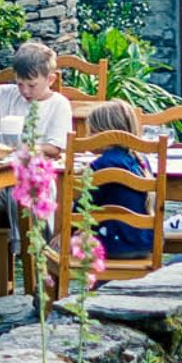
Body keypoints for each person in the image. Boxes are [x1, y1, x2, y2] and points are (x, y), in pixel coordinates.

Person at [75, 100, 161, 262]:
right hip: (145, 242)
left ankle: (55, 286)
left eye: (91, 133)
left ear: (104, 134)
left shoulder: (103, 165)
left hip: (113, 245)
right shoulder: (140, 160)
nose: (87, 137)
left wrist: (64, 232)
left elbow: (82, 209)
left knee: (52, 245)